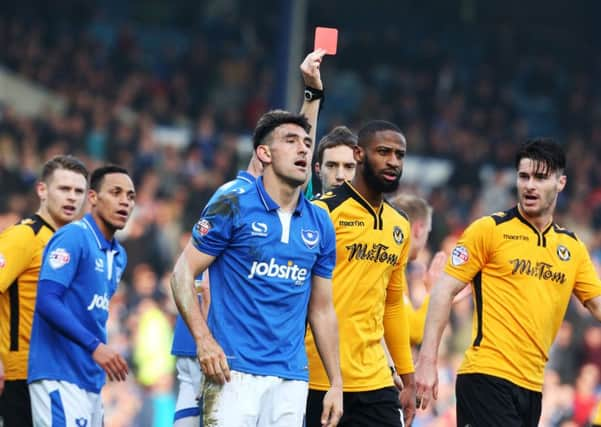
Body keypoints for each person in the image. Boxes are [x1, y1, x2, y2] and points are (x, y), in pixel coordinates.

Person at [169, 49, 327, 427]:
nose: (303, 151)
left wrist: (312, 95)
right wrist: (201, 340)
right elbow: (184, 271)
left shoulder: (295, 207)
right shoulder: (234, 197)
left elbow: (299, 144)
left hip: (275, 369)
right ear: (263, 155)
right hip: (213, 349)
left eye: (305, 145)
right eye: (289, 143)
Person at [415, 137, 601, 427]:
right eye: (524, 176)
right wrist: (426, 362)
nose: (529, 185)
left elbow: (596, 303)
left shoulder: (572, 248)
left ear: (561, 183)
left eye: (540, 178)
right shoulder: (489, 230)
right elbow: (443, 290)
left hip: (531, 387)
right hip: (485, 378)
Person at [305, 120, 416, 426]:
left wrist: (408, 378)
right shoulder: (322, 212)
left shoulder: (400, 224)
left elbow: (393, 305)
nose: (393, 161)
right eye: (383, 152)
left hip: (375, 378)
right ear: (359, 154)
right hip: (319, 375)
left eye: (399, 154)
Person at [28, 165, 136, 427]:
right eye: (116, 192)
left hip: (89, 377)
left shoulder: (119, 255)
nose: (125, 201)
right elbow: (46, 300)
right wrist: (95, 346)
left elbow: (92, 312)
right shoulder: (73, 236)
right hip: (58, 373)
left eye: (131, 196)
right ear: (93, 198)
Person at [0, 155, 89, 427]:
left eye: (78, 191)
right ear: (42, 190)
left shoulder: (72, 243)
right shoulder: (23, 237)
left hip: (61, 373)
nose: (72, 197)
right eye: (64, 189)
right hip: (20, 376)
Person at [314, 126, 357, 195]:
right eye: (331, 166)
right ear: (318, 169)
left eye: (349, 167)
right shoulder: (304, 205)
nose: (340, 176)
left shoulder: (376, 205)